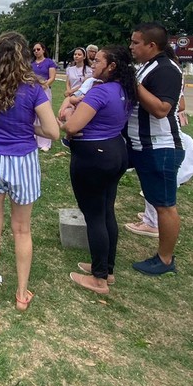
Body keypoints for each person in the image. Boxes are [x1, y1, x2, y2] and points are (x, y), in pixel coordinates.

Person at [0, 32, 60, 314]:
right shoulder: (34, 89)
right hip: (23, 162)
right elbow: (53, 131)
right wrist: (29, 127)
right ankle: (21, 295)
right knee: (22, 229)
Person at [63, 46, 136, 295]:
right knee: (106, 212)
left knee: (94, 215)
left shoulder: (100, 92)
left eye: (98, 61)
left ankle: (99, 279)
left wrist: (67, 116)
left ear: (112, 66)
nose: (93, 64)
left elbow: (72, 126)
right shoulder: (124, 89)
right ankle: (106, 268)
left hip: (94, 158)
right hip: (115, 152)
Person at [125, 23, 184, 276]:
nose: (131, 47)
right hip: (142, 145)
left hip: (160, 147)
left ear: (151, 45)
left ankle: (165, 259)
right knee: (156, 200)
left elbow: (161, 109)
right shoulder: (147, 66)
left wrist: (133, 84)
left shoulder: (166, 69)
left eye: (136, 42)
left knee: (164, 205)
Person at [31, 42, 57, 151]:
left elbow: (52, 77)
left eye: (38, 49)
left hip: (45, 90)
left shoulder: (49, 62)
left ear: (43, 50)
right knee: (33, 115)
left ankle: (45, 143)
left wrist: (44, 85)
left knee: (44, 115)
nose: (36, 51)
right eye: (34, 50)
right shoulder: (31, 64)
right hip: (33, 90)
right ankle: (33, 139)